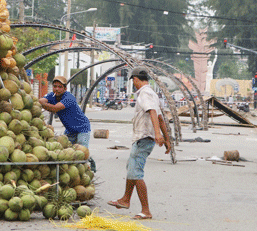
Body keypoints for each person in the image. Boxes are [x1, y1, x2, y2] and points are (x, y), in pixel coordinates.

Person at [108, 66, 172, 219]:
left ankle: (146, 211)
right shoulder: (153, 94)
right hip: (144, 138)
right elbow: (161, 118)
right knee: (131, 167)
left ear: (135, 80)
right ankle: (125, 199)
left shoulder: (144, 93)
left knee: (136, 172)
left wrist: (158, 134)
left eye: (134, 81)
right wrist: (167, 139)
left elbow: (152, 112)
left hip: (143, 138)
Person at [38, 76, 94, 171]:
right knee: (64, 152)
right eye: (55, 86)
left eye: (60, 87)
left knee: (81, 153)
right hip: (70, 129)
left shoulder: (69, 97)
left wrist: (47, 106)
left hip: (82, 128)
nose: (57, 89)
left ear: (65, 88)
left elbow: (56, 108)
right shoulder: (52, 96)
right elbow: (40, 101)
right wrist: (49, 106)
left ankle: (89, 165)